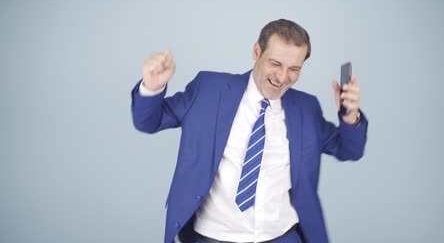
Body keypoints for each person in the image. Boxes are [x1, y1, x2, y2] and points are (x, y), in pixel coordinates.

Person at [131, 19, 368, 243]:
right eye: (275, 63)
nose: (282, 77)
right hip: (213, 238)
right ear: (257, 52)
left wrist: (350, 115)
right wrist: (152, 87)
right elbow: (149, 122)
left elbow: (349, 150)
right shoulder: (209, 90)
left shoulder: (306, 107)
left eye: (294, 68)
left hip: (283, 237)